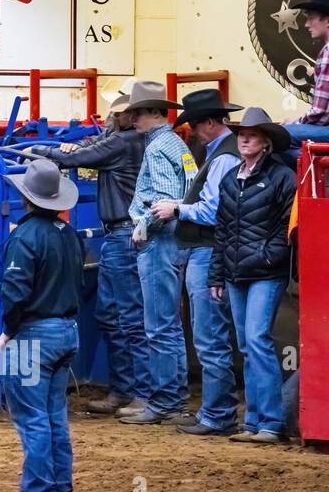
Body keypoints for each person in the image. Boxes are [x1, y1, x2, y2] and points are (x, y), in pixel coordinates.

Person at [26, 94, 146, 416]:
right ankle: (126, 390)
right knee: (115, 314)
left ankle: (139, 394)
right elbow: (91, 150)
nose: (112, 118)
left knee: (127, 316)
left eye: (116, 113)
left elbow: (82, 157)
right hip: (119, 234)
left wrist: (39, 151)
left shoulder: (123, 141)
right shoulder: (130, 140)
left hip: (122, 233)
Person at [152, 89, 244, 437]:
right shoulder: (224, 152)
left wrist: (176, 208)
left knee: (209, 336)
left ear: (207, 123)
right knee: (212, 335)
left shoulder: (221, 158)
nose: (189, 131)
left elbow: (213, 210)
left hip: (208, 250)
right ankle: (216, 410)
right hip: (213, 249)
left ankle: (218, 414)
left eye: (192, 124)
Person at [0, 158, 84, 492]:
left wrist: (8, 331)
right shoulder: (69, 234)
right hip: (66, 330)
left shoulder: (26, 236)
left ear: (27, 198)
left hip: (35, 336)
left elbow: (15, 292)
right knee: (53, 418)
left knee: (33, 419)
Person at [207, 108, 297, 444]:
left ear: (266, 142)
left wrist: (265, 256)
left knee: (255, 340)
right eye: (242, 133)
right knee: (248, 344)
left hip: (263, 272)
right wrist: (217, 274)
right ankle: (256, 421)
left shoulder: (280, 178)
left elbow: (289, 227)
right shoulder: (232, 178)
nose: (245, 138)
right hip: (237, 271)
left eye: (253, 134)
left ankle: (270, 422)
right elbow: (223, 231)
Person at [118, 80, 199, 426]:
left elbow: (164, 202)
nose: (132, 118)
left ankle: (165, 401)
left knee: (158, 325)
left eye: (137, 112)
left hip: (160, 243)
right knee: (170, 324)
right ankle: (173, 398)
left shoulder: (156, 148)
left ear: (154, 113)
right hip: (177, 242)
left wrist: (142, 230)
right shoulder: (175, 144)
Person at [282, 0, 329, 149]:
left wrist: (294, 124)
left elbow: (323, 114)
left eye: (311, 18)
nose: (306, 24)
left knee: (277, 135)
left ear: (328, 21)